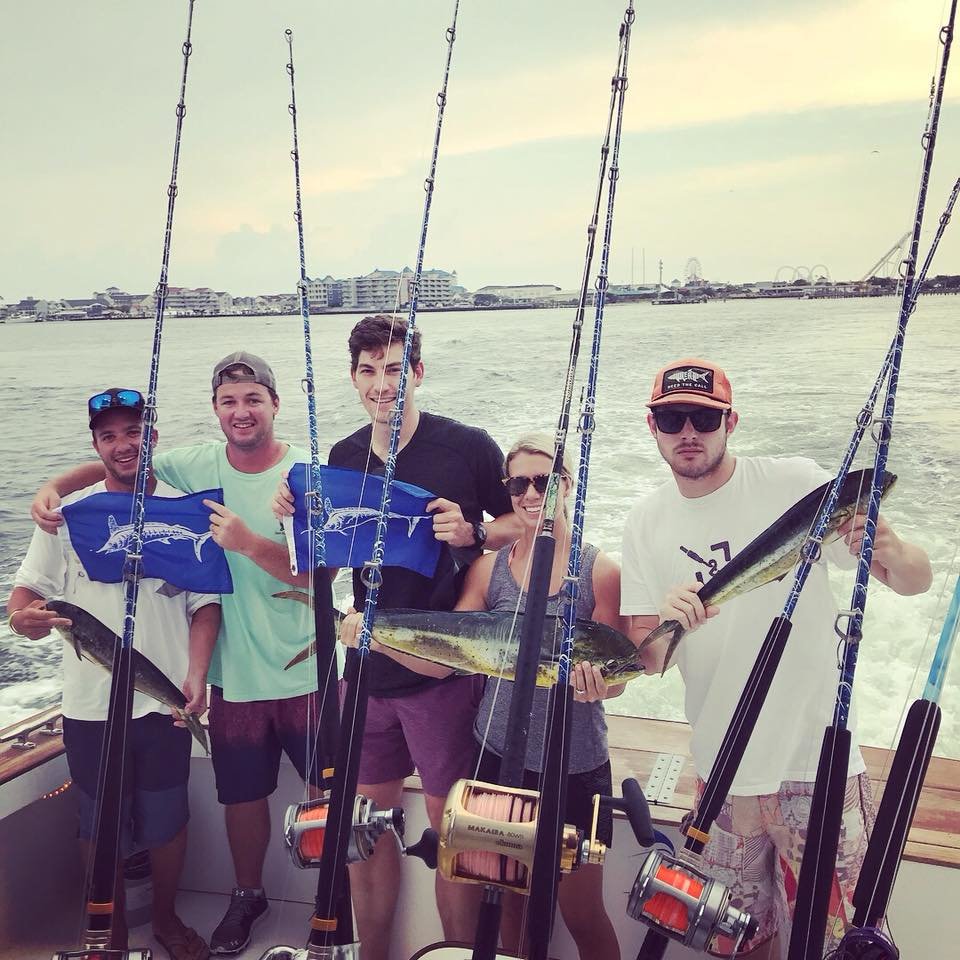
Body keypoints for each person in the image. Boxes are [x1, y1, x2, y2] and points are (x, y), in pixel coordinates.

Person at [620, 357, 933, 959]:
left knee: (837, 944)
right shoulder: (645, 521)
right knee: (735, 942)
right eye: (673, 418)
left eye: (704, 418)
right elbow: (648, 658)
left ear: (730, 422)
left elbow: (914, 580)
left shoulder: (796, 483)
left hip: (815, 766)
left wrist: (890, 548)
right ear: (652, 426)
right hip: (722, 773)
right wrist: (668, 622)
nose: (689, 431)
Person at [31, 354, 319, 956]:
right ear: (215, 409)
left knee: (326, 794)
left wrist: (246, 543)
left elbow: (315, 579)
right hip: (208, 684)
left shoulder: (299, 476)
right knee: (230, 800)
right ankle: (219, 904)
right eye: (229, 401)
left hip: (300, 672)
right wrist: (52, 488)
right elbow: (116, 463)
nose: (241, 411)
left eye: (253, 399)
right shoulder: (180, 472)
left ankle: (330, 901)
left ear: (275, 403)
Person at [272, 314, 521, 959]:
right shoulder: (342, 457)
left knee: (452, 835)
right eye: (368, 370)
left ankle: (455, 953)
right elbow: (324, 557)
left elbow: (519, 524)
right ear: (354, 379)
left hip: (443, 676)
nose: (382, 383)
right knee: (362, 829)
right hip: (367, 671)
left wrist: (472, 532)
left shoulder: (466, 447)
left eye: (393, 369)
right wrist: (293, 518)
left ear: (417, 372)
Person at [9, 387, 220, 960]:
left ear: (153, 436)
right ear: (96, 445)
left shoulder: (186, 511)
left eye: (134, 432)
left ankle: (167, 920)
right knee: (98, 821)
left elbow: (205, 604)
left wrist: (197, 676)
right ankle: (110, 931)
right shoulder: (68, 516)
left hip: (163, 702)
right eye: (109, 436)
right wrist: (24, 620)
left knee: (168, 818)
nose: (123, 444)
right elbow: (26, 595)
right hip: (89, 708)